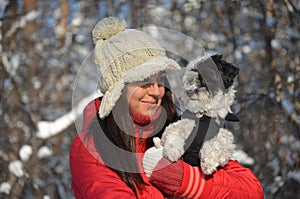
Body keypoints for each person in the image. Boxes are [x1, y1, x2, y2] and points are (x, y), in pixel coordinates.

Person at [69, 17, 264, 199]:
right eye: (144, 81)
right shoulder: (92, 147)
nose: (156, 91)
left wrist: (186, 180)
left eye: (160, 80)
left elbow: (253, 190)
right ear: (118, 89)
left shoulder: (178, 129)